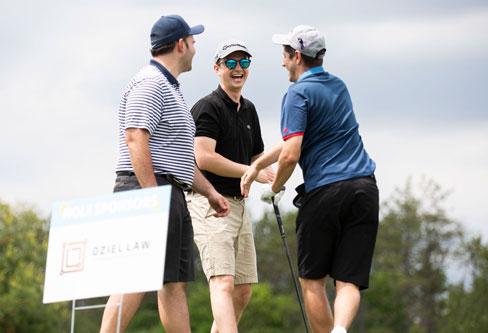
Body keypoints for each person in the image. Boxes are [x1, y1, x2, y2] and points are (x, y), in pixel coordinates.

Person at [240, 25, 379, 333]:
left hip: (326, 192)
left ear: (297, 56)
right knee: (349, 281)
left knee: (312, 280)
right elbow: (295, 141)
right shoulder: (338, 86)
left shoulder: (297, 93)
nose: (282, 62)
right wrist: (258, 164)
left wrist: (275, 189)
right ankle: (340, 329)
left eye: (285, 56)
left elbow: (291, 154)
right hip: (364, 189)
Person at [99, 15, 230, 333]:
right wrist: (151, 198)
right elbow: (135, 138)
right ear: (181, 44)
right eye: (193, 41)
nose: (196, 47)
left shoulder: (170, 87)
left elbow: (179, 161)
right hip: (145, 187)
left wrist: (210, 192)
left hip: (167, 190)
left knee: (173, 283)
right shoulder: (151, 82)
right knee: (134, 277)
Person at [187, 39, 274, 333]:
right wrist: (251, 171)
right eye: (231, 63)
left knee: (243, 287)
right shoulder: (207, 107)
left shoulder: (249, 110)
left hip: (238, 204)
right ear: (217, 68)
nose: (239, 69)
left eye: (244, 63)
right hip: (209, 202)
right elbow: (204, 157)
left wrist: (273, 171)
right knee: (222, 282)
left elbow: (257, 156)